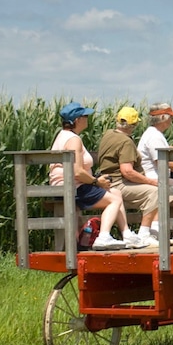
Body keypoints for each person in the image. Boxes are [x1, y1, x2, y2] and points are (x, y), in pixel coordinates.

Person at [48, 102, 128, 251]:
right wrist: (97, 182)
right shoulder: (73, 140)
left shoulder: (63, 135)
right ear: (78, 120)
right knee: (115, 199)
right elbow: (77, 171)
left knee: (116, 192)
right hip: (73, 188)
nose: (88, 119)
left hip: (66, 185)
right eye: (85, 116)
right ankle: (103, 237)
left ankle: (127, 234)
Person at [96, 107, 158, 248]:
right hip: (119, 183)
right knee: (156, 192)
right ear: (133, 125)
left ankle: (136, 233)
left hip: (107, 181)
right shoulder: (125, 142)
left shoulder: (109, 134)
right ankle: (144, 234)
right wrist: (151, 181)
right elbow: (127, 171)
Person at [136, 103, 173, 225]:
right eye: (170, 117)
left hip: (155, 176)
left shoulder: (153, 134)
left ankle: (165, 229)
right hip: (155, 178)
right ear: (162, 118)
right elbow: (162, 162)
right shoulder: (155, 136)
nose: (171, 121)